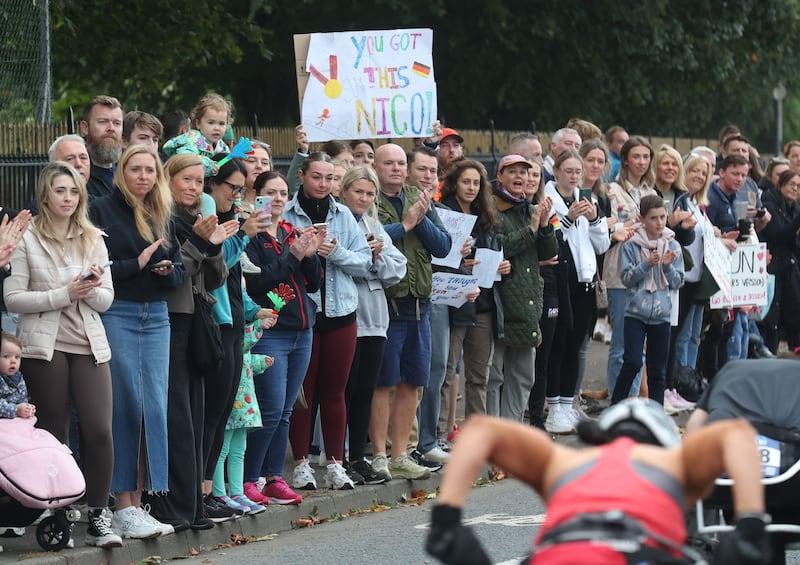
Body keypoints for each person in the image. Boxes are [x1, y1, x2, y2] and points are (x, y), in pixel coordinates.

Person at [426, 398, 770, 565]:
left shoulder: (565, 460)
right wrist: (750, 523)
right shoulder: (674, 462)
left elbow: (481, 428)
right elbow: (735, 433)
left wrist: (446, 521)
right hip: (642, 554)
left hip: (560, 555)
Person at [5, 161, 121, 547]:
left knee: (100, 429)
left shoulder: (94, 236)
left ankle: (99, 515)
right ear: (45, 195)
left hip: (88, 342)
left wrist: (89, 289)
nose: (68, 198)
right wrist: (63, 294)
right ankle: (57, 516)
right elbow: (13, 298)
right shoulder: (26, 239)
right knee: (54, 431)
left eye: (74, 192)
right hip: (44, 346)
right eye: (60, 191)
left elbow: (107, 298)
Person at [89, 145, 186, 539]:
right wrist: (140, 264)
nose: (143, 176)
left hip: (157, 316)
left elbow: (180, 274)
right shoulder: (100, 209)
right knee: (126, 405)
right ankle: (121, 503)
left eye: (150, 170)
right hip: (120, 313)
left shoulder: (162, 212)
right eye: (135, 169)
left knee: (154, 410)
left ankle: (139, 503)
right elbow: (97, 267)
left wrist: (165, 271)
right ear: (121, 172)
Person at [143, 153, 237, 530]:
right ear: (169, 180)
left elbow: (214, 278)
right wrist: (200, 244)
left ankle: (193, 504)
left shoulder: (197, 221)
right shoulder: (159, 220)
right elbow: (174, 273)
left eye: (199, 181)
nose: (193, 187)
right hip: (166, 321)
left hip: (197, 323)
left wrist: (212, 245)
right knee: (176, 416)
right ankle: (172, 503)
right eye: (186, 179)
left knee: (196, 417)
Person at [284, 152, 372, 490]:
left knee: (335, 392)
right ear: (303, 176)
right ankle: (302, 463)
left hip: (341, 313)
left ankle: (336, 464)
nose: (323, 184)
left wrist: (334, 252)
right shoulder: (289, 212)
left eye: (329, 178)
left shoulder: (345, 214)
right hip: (302, 315)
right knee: (303, 393)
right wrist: (303, 251)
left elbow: (364, 263)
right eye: (316, 177)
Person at [369, 143, 451, 481]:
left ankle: (401, 453)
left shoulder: (418, 196)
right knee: (383, 382)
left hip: (420, 302)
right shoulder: (367, 197)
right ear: (375, 166)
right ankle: (378, 454)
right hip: (387, 304)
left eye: (401, 163)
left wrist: (418, 220)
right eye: (389, 163)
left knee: (412, 382)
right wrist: (405, 224)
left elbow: (444, 246)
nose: (397, 169)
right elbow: (367, 239)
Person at [242, 170, 324, 505]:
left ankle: (275, 476)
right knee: (271, 410)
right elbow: (261, 282)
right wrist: (293, 257)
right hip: (272, 332)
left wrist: (311, 254)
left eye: (282, 192)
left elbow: (314, 283)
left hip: (302, 332)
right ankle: (249, 478)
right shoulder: (252, 236)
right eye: (270, 192)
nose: (278, 198)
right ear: (256, 195)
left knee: (287, 410)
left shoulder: (292, 231)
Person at [201, 154, 273, 515]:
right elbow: (215, 265)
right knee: (214, 414)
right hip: (213, 322)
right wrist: (243, 234)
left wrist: (254, 311)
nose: (236, 195)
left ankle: (219, 491)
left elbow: (237, 278)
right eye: (231, 188)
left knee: (224, 413)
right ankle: (207, 491)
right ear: (211, 185)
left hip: (234, 321)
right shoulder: (209, 221)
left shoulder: (233, 218)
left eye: (241, 190)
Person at [338, 165, 407, 484]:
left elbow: (398, 268)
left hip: (376, 319)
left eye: (369, 194)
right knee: (346, 390)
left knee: (366, 389)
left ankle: (358, 456)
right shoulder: (337, 218)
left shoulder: (373, 224)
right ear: (344, 190)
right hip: (347, 314)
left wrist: (376, 256)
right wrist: (365, 260)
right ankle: (338, 458)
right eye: (358, 192)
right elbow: (342, 264)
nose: (363, 199)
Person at [541, 150, 609, 433]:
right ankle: (553, 406)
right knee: (558, 345)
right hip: (561, 282)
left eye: (577, 172)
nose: (573, 176)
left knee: (575, 345)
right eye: (568, 171)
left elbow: (602, 244)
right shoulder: (548, 200)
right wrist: (567, 218)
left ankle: (568, 404)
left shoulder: (587, 199)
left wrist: (593, 220)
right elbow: (552, 240)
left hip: (584, 283)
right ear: (555, 172)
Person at [488, 154, 556, 423]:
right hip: (501, 303)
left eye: (525, 173)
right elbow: (498, 245)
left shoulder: (531, 209)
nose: (520, 177)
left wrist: (545, 224)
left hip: (528, 302)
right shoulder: (491, 209)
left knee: (523, 376)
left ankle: (510, 432)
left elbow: (550, 253)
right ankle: (492, 431)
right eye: (513, 172)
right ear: (500, 177)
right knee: (493, 375)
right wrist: (530, 229)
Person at [439, 160, 507, 423]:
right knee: (446, 372)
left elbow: (496, 251)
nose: (471, 187)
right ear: (454, 183)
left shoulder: (488, 217)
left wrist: (502, 264)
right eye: (466, 181)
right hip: (454, 302)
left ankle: (476, 431)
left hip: (484, 303)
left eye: (476, 183)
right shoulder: (443, 213)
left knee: (480, 376)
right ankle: (441, 432)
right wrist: (459, 263)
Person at [611, 195, 684, 405]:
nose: (659, 223)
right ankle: (616, 407)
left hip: (661, 315)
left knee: (657, 370)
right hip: (635, 312)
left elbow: (678, 282)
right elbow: (626, 279)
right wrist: (647, 265)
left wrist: (667, 267)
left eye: (662, 217)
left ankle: (656, 415)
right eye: (653, 218)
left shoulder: (673, 245)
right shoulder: (631, 245)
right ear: (642, 219)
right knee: (632, 362)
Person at [604, 136, 656, 398]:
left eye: (646, 157)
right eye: (636, 156)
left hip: (647, 275)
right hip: (620, 274)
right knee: (622, 344)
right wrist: (623, 227)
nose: (641, 162)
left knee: (639, 345)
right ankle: (619, 401)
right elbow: (606, 228)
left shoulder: (651, 193)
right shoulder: (611, 190)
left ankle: (633, 400)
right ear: (625, 159)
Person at [211, 320, 273, 515]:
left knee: (238, 450)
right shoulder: (233, 338)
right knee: (222, 450)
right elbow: (243, 343)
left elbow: (246, 359)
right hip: (231, 407)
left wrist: (261, 362)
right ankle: (219, 493)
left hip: (244, 409)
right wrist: (258, 326)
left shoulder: (240, 348)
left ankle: (237, 493)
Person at [759, 169, 800, 353]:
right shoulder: (769, 203)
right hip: (772, 268)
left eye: (799, 186)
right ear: (781, 184)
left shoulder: (794, 208)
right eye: (792, 184)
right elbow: (779, 235)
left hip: (790, 268)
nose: (796, 189)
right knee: (771, 320)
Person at [161, 93, 232, 177]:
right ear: (198, 123)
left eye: (221, 123)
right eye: (211, 123)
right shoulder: (193, 139)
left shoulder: (221, 146)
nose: (217, 128)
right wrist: (210, 166)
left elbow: (226, 164)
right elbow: (186, 159)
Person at [80, 95, 124, 199]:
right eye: (103, 122)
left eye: (117, 123)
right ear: (85, 127)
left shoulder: (129, 173)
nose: (111, 128)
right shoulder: (77, 175)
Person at [0, 333, 32, 420]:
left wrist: (26, 408)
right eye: (6, 356)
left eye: (17, 357)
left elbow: (22, 398)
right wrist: (16, 409)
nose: (13, 361)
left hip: (14, 419)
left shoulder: (18, 378)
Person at [240, 140, 272, 218]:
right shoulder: (232, 204)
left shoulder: (278, 202)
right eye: (252, 161)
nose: (259, 166)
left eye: (264, 163)